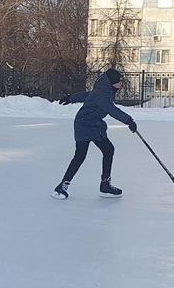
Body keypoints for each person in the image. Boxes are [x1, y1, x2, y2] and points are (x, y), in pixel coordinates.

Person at [52, 68, 136, 199]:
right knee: (80, 156)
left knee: (108, 150)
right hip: (84, 125)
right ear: (112, 83)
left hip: (95, 125)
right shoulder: (102, 95)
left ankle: (105, 185)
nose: (121, 84)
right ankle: (62, 186)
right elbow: (111, 109)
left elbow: (86, 95)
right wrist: (128, 120)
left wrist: (71, 98)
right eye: (119, 82)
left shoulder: (103, 91)